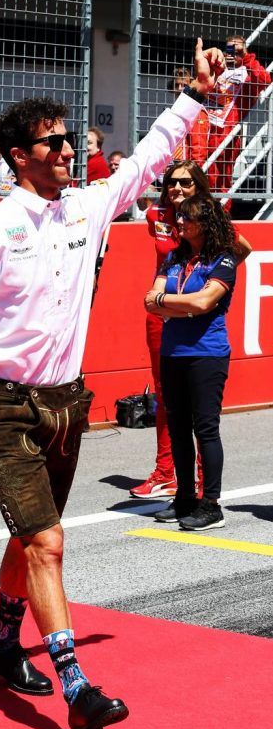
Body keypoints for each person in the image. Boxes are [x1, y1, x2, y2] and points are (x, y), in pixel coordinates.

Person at [0, 40, 225, 729]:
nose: (66, 150)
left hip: (67, 402)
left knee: (31, 537)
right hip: (4, 405)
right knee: (48, 542)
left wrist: (193, 98)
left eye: (66, 140)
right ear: (18, 156)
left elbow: (146, 157)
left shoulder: (86, 208)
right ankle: (75, 686)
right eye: (52, 142)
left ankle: (2, 641)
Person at [131, 160, 251, 500]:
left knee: (201, 415)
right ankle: (165, 472)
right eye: (171, 182)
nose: (177, 188)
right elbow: (159, 276)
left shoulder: (209, 216)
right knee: (165, 399)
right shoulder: (156, 216)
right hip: (162, 311)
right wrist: (168, 300)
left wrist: (212, 280)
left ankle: (202, 484)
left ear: (199, 185)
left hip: (192, 313)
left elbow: (242, 249)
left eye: (185, 182)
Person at [144, 196, 238, 531]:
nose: (180, 222)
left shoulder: (224, 258)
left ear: (206, 223)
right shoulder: (174, 257)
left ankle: (211, 505)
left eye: (188, 217)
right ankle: (184, 497)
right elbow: (149, 301)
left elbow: (204, 302)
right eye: (179, 217)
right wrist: (183, 306)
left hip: (207, 353)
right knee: (178, 428)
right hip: (173, 352)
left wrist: (170, 303)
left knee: (206, 428)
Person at [206, 34, 270, 192]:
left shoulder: (248, 75)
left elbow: (265, 80)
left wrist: (246, 57)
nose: (233, 55)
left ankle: (218, 207)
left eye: (237, 51)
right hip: (203, 127)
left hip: (226, 133)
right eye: (230, 50)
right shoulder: (218, 68)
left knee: (220, 181)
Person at [169, 67, 209, 166]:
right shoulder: (175, 109)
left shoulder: (197, 111)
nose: (179, 89)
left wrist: (193, 172)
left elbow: (198, 149)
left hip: (185, 169)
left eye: (184, 85)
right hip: (173, 167)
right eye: (176, 85)